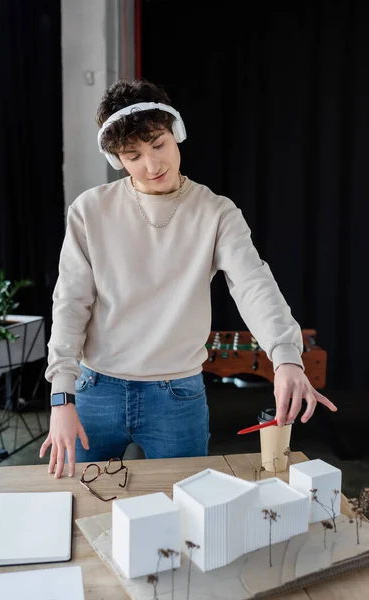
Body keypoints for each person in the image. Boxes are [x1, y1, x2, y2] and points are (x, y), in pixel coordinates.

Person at [39, 78, 337, 479]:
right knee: (82, 506)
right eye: (133, 156)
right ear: (117, 160)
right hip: (95, 390)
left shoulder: (216, 212)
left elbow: (253, 284)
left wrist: (286, 358)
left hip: (177, 396)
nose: (152, 165)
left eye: (159, 145)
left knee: (184, 518)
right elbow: (71, 302)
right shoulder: (89, 211)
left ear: (175, 133)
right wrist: (61, 398)